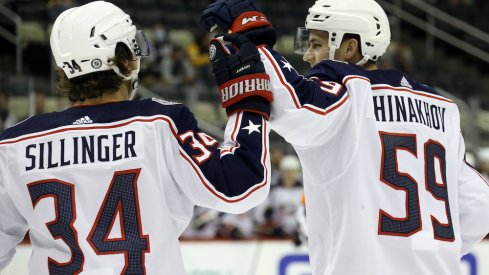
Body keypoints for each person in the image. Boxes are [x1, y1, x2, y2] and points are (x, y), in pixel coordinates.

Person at [200, 0, 489, 274]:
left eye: (315, 44)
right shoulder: (444, 109)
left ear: (350, 47)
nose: (308, 55)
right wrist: (429, 251)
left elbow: (294, 103)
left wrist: (253, 42)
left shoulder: (352, 89)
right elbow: (480, 206)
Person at [0, 1, 274, 274]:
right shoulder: (161, 123)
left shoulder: (15, 145)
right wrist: (248, 93)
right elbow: (242, 186)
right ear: (122, 59)